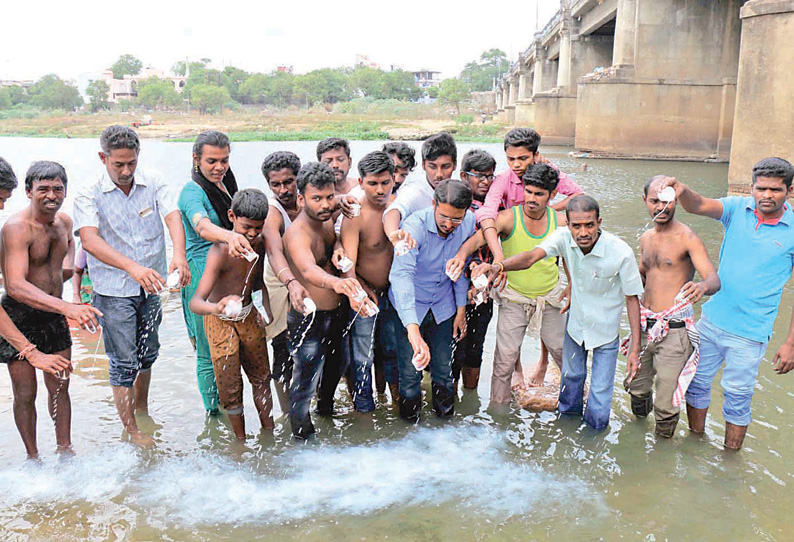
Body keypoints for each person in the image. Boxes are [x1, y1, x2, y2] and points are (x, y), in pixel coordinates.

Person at [475, 195, 643, 431]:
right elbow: (532, 257)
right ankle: (566, 433)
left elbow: (632, 299)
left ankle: (593, 440)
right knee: (571, 382)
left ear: (599, 222)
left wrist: (635, 349)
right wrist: (500, 265)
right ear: (569, 224)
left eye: (589, 225)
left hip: (605, 333)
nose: (583, 232)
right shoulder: (563, 237)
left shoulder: (621, 252)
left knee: (600, 392)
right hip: (575, 328)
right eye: (576, 226)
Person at [664, 158, 794, 450]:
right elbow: (697, 205)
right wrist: (682, 190)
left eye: (775, 190)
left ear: (790, 191)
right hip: (711, 322)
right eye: (761, 189)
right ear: (752, 188)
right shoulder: (737, 209)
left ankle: (730, 458)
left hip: (750, 333)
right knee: (695, 384)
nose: (767, 195)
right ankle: (695, 442)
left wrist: (790, 344)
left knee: (737, 396)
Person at [74, 125, 190, 447]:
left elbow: (172, 216)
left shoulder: (152, 180)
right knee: (123, 361)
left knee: (148, 352)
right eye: (118, 165)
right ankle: (131, 431)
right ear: (103, 158)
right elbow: (90, 240)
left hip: (150, 286)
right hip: (113, 289)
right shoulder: (88, 192)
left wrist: (178, 255)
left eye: (131, 163)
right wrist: (132, 268)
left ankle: (142, 409)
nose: (126, 171)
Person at [0, 161, 97, 460]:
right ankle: (32, 456)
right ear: (29, 192)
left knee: (61, 386)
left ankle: (65, 449)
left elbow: (68, 252)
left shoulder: (65, 223)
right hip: (19, 315)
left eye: (57, 189)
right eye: (43, 189)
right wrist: (69, 306)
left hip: (53, 314)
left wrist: (70, 275)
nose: (51, 195)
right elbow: (15, 286)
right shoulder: (15, 228)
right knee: (25, 393)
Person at [454, 164, 570, 405]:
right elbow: (474, 242)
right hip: (514, 299)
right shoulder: (508, 218)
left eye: (539, 194)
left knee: (563, 355)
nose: (532, 199)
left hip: (549, 298)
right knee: (504, 361)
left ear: (552, 195)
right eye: (528, 192)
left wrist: (572, 283)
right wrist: (460, 257)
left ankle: (571, 407)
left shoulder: (560, 222)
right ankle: (498, 413)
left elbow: (569, 256)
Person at [623, 176, 720, 437]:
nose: (661, 208)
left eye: (666, 201)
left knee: (666, 403)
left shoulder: (687, 237)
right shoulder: (645, 238)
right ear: (645, 201)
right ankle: (638, 437)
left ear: (675, 200)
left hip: (674, 332)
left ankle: (662, 452)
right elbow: (643, 276)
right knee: (637, 388)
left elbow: (713, 279)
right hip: (644, 328)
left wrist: (701, 287)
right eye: (654, 201)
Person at [283, 162, 371, 439]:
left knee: (337, 367)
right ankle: (302, 441)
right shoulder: (297, 234)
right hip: (309, 319)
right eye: (316, 198)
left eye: (329, 197)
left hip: (337, 313)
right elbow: (309, 270)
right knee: (304, 383)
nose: (325, 205)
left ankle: (328, 419)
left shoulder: (327, 214)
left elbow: (335, 231)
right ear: (301, 199)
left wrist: (338, 247)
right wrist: (339, 283)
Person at [189, 189, 275, 440]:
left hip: (248, 317)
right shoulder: (219, 251)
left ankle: (269, 435)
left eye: (258, 228)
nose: (251, 234)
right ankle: (240, 442)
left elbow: (258, 284)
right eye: (246, 227)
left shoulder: (259, 245)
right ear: (231, 216)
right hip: (220, 322)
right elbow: (196, 302)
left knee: (261, 379)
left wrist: (266, 311)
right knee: (230, 386)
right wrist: (217, 308)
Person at [178, 130, 252, 415]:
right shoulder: (191, 192)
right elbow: (202, 225)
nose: (219, 167)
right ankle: (214, 414)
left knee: (233, 345)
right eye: (211, 161)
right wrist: (229, 237)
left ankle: (231, 406)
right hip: (201, 273)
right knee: (207, 351)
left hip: (226, 270)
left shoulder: (225, 183)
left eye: (224, 160)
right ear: (196, 159)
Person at [388, 180, 475, 422]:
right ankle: (409, 427)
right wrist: (413, 331)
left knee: (444, 371)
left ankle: (446, 426)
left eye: (456, 219)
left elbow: (460, 268)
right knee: (409, 373)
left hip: (444, 307)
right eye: (444, 217)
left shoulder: (468, 223)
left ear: (467, 212)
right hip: (410, 307)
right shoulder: (413, 228)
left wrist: (460, 311)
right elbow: (401, 276)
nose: (449, 225)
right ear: (433, 204)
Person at [339, 151, 399, 411]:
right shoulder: (355, 214)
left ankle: (398, 405)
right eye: (372, 183)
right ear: (361, 182)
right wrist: (358, 293)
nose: (379, 190)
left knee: (394, 351)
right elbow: (347, 265)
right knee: (362, 355)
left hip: (395, 293)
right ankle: (364, 410)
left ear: (394, 179)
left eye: (385, 182)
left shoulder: (400, 205)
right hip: (366, 293)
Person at [476, 128, 584, 262]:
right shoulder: (503, 180)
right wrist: (498, 255)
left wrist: (550, 211)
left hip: (544, 236)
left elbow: (578, 195)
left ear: (536, 155)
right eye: (511, 159)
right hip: (515, 237)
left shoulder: (548, 173)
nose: (516, 165)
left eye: (523, 158)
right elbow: (487, 212)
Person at [260, 151, 309, 409]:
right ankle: (287, 412)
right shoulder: (273, 212)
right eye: (275, 184)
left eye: (288, 181)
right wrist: (290, 282)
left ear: (298, 178)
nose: (283, 189)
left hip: (309, 277)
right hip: (281, 281)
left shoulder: (310, 200)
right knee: (283, 346)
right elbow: (274, 251)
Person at [449, 149, 497, 391]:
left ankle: (470, 401)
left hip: (483, 292)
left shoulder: (494, 207)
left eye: (490, 177)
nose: (486, 182)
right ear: (464, 175)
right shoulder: (456, 206)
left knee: (475, 348)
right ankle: (449, 405)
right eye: (479, 176)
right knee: (453, 351)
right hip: (455, 291)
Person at [382, 132, 457, 249]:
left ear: (455, 165)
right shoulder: (414, 191)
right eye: (432, 166)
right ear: (423, 165)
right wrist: (394, 235)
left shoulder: (458, 192)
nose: (439, 174)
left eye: (446, 166)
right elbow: (394, 211)